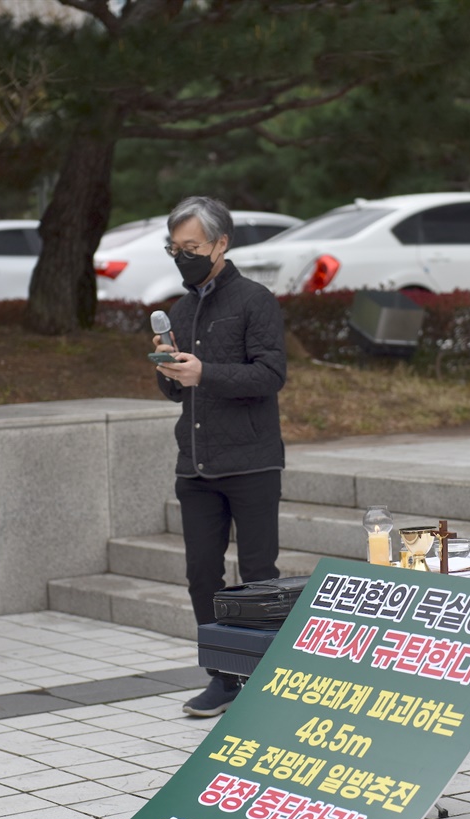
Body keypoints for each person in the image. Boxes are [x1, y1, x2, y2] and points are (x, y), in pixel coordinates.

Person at [152, 196, 286, 717]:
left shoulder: (255, 300)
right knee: (201, 576)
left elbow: (270, 376)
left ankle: (266, 678)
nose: (182, 256)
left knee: (258, 577)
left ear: (221, 244)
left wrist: (205, 371)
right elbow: (177, 393)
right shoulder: (181, 310)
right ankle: (223, 678)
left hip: (252, 461)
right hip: (197, 465)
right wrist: (168, 368)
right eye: (175, 248)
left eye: (192, 247)